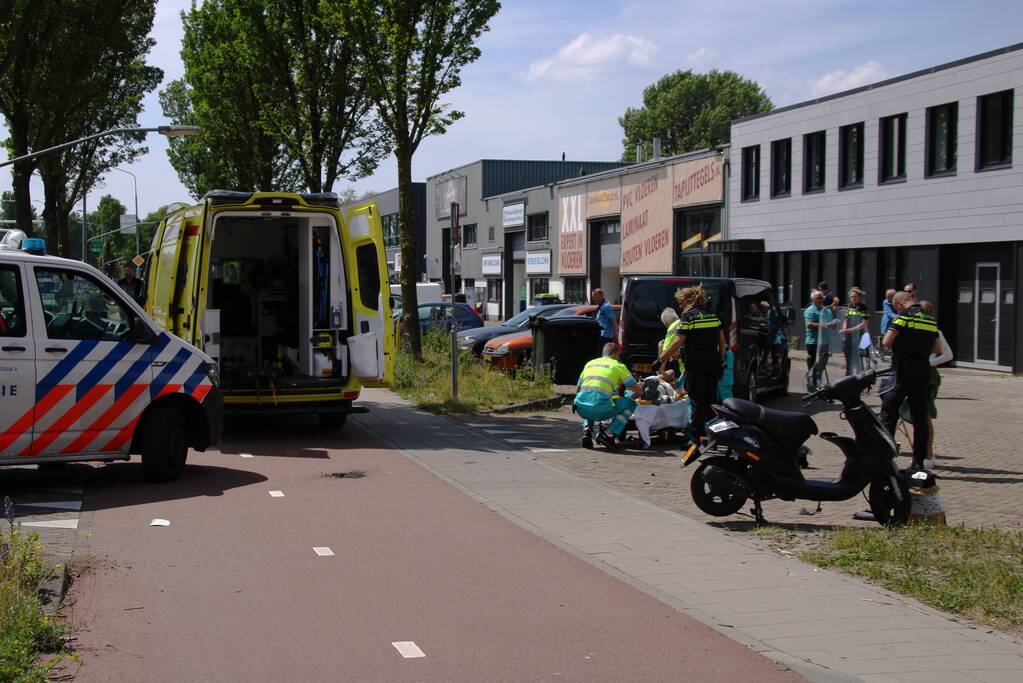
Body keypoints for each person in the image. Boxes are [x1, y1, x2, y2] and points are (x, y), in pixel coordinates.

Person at [880, 292, 942, 469]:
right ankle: (918, 461)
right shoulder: (930, 320)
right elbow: (937, 349)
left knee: (889, 412)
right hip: (922, 372)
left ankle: (885, 458)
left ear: (900, 303)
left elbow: (886, 341)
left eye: (895, 306)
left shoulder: (903, 318)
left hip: (903, 371)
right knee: (920, 417)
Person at [658, 285, 725, 443]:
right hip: (713, 360)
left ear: (688, 300)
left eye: (681, 302)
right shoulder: (712, 314)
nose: (680, 306)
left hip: (695, 362)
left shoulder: (688, 316)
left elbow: (678, 341)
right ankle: (713, 436)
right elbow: (722, 341)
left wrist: (664, 356)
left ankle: (695, 438)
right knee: (711, 399)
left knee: (696, 400)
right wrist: (720, 359)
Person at [899, 301, 953, 469]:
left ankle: (928, 453)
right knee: (912, 413)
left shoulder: (934, 330)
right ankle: (920, 451)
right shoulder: (912, 328)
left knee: (924, 415)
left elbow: (948, 355)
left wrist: (929, 362)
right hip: (912, 371)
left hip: (927, 375)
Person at [574, 342, 642, 449]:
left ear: (603, 353)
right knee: (631, 404)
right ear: (616, 354)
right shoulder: (618, 365)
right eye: (619, 355)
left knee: (589, 397)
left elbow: (578, 389)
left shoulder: (590, 364)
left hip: (581, 408)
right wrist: (631, 397)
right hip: (601, 409)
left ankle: (587, 431)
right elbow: (639, 391)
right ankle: (608, 434)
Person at [842, 288, 870, 375]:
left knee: (858, 359)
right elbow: (846, 319)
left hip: (860, 336)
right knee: (848, 359)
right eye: (851, 297)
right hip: (849, 337)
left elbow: (864, 324)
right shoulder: (850, 306)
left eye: (855, 296)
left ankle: (860, 377)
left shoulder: (863, 307)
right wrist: (844, 328)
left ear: (859, 297)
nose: (853, 298)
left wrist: (850, 330)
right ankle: (848, 376)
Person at [803, 290, 825, 389]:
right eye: (818, 298)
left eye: (821, 298)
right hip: (813, 341)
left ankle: (818, 384)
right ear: (813, 299)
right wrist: (824, 325)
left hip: (823, 341)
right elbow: (809, 324)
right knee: (813, 365)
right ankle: (812, 385)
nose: (820, 300)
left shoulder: (824, 309)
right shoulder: (810, 310)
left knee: (821, 364)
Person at [660, 307, 682, 380]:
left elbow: (665, 353)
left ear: (665, 323)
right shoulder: (683, 322)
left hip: (686, 366)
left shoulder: (672, 328)